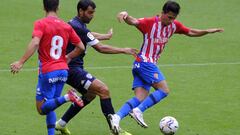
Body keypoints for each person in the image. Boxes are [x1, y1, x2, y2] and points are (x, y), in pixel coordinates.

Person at [108, 1, 224, 134]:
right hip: (146, 63)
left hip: (140, 65)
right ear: (162, 13)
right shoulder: (150, 22)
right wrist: (125, 15)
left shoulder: (174, 26)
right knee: (164, 90)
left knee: (140, 97)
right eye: (169, 17)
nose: (171, 21)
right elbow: (134, 21)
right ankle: (138, 111)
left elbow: (190, 31)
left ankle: (116, 118)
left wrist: (207, 31)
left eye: (174, 18)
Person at [54, 0, 137, 135]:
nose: (92, 16)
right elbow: (100, 48)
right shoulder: (79, 27)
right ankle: (114, 129)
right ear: (81, 11)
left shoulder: (75, 24)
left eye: (93, 13)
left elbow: (88, 34)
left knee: (90, 94)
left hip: (70, 68)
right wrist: (124, 50)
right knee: (103, 90)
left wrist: (106, 36)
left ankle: (61, 123)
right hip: (72, 70)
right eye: (89, 12)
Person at [10, 0, 85, 135]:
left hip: (48, 71)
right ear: (58, 7)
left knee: (41, 109)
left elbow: (35, 42)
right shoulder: (66, 26)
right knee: (51, 105)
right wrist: (68, 57)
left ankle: (68, 97)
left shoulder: (41, 23)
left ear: (43, 7)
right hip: (63, 71)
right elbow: (81, 47)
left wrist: (21, 62)